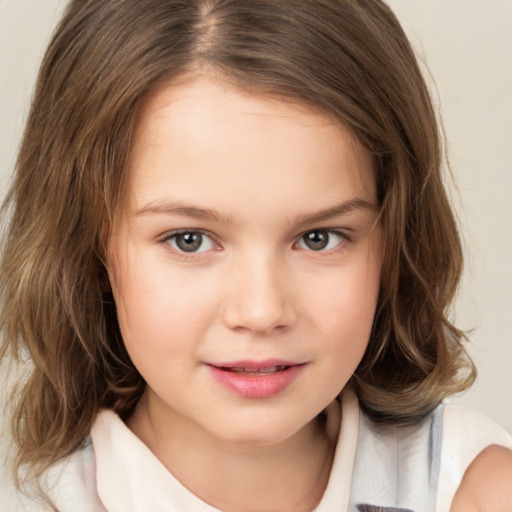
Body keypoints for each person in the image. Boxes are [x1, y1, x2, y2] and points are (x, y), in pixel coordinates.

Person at [0, 1, 511, 511]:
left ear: (394, 243)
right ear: (89, 247)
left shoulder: (473, 491)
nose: (261, 311)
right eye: (189, 240)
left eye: (319, 238)